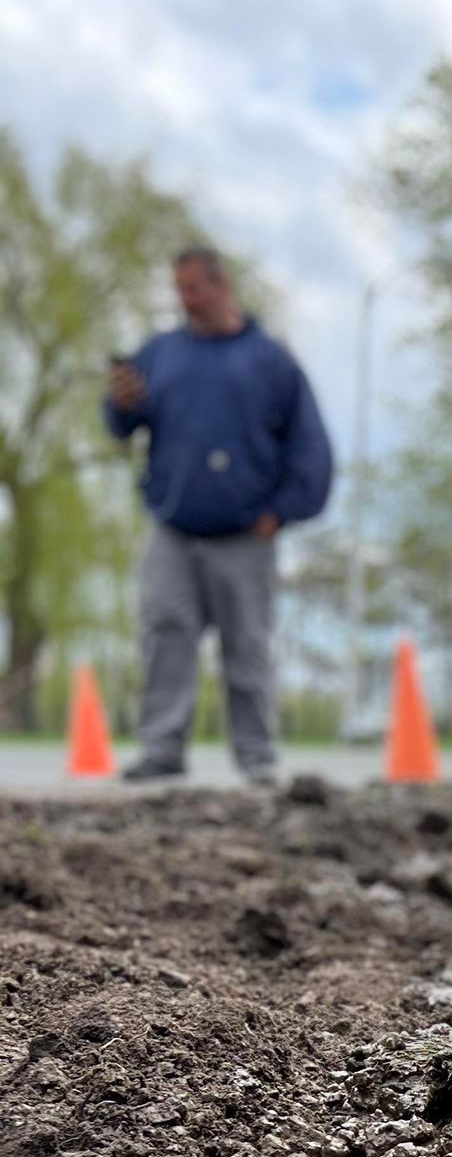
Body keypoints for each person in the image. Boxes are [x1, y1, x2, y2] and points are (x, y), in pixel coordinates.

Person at [104, 245, 333, 787]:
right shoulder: (160, 354)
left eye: (195, 290)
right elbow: (122, 424)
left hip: (245, 534)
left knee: (247, 644)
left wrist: (285, 511)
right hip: (173, 528)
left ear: (221, 285)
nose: (187, 301)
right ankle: (162, 748)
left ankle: (256, 756)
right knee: (164, 632)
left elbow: (310, 447)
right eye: (180, 291)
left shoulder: (269, 361)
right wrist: (120, 404)